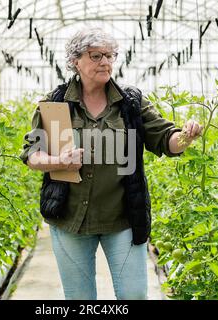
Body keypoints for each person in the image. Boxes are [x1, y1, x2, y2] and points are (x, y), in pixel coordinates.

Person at [19, 27, 203, 300]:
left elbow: (166, 139)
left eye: (110, 55)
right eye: (96, 56)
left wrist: (185, 136)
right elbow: (32, 155)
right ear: (75, 61)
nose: (105, 62)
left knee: (134, 294)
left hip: (123, 219)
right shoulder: (56, 103)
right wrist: (58, 161)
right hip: (70, 220)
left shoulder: (129, 103)